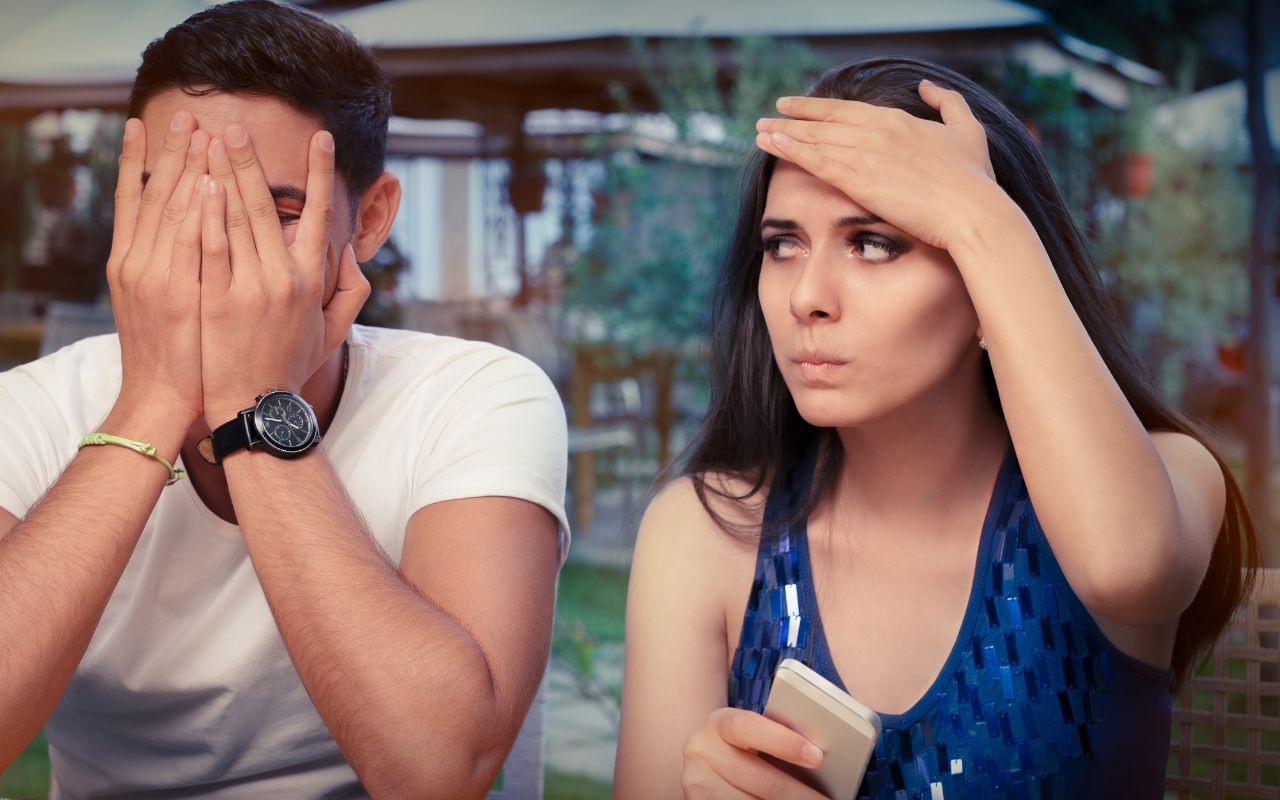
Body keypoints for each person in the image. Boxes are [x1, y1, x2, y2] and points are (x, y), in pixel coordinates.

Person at [614, 56, 1260, 799]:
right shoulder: (704, 533)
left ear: (989, 281)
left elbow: (1126, 567)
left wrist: (980, 215)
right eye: (782, 244)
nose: (808, 298)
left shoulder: (1164, 478)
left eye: (874, 242)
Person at [0, 2, 568, 797]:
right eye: (173, 205)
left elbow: (439, 769)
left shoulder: (477, 394)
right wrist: (155, 399)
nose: (212, 249)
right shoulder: (26, 409)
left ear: (367, 220)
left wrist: (254, 404)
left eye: (277, 213)